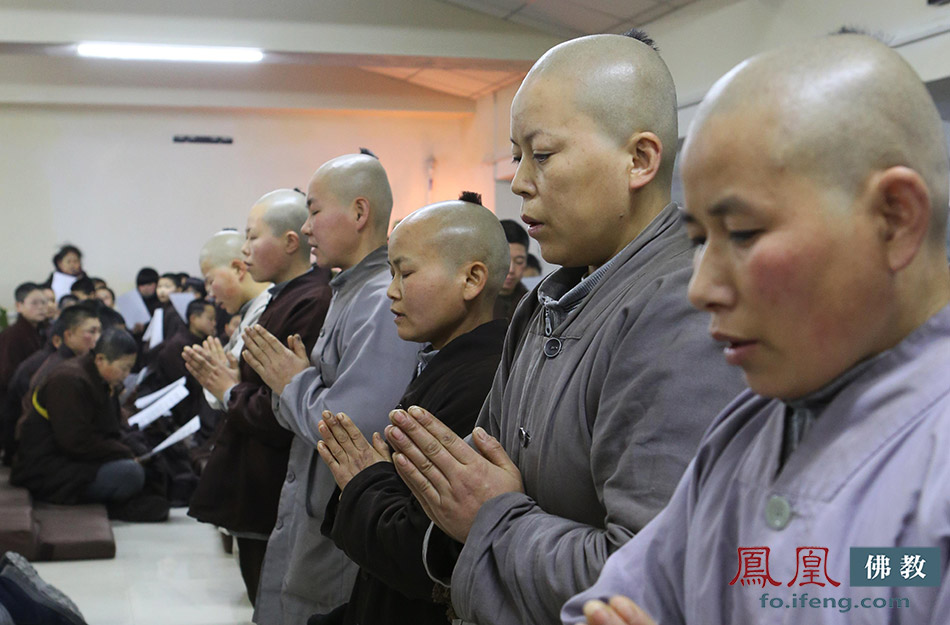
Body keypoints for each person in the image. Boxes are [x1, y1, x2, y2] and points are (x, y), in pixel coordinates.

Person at [562, 34, 950, 625]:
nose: (700, 289)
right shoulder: (745, 436)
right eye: (697, 241)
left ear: (895, 218)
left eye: (742, 233)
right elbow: (617, 598)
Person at [382, 32, 745, 625]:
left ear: (640, 159)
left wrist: (492, 519)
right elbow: (478, 469)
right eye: (516, 154)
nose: (520, 180)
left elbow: (643, 575)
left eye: (542, 155)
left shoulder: (680, 308)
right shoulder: (546, 299)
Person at [241, 153, 420, 624]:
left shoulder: (381, 299)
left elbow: (351, 429)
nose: (308, 226)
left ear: (360, 213)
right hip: (313, 508)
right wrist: (298, 386)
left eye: (316, 210)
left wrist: (293, 382)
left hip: (341, 520)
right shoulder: (350, 290)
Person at [316, 199, 511, 625]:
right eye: (390, 273)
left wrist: (365, 482)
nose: (391, 290)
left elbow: (419, 549)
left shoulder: (479, 381)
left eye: (405, 273)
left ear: (472, 278)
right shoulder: (442, 360)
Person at [185, 190, 332, 607]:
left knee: (276, 601)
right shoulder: (283, 296)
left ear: (290, 241)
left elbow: (280, 408)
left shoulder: (312, 299)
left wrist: (229, 388)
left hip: (272, 478)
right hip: (254, 474)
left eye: (251, 238)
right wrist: (232, 383)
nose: (244, 251)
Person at [12, 328, 146, 508]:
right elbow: (75, 441)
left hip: (78, 457)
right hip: (49, 464)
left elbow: (110, 429)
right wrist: (122, 452)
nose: (126, 375)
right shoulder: (69, 380)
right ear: (100, 359)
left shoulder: (101, 379)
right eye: (124, 368)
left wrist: (130, 449)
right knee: (130, 473)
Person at [1, 305, 101, 465]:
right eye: (91, 332)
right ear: (65, 337)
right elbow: (70, 434)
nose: (98, 338)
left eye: (99, 331)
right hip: (42, 457)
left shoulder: (70, 364)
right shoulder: (61, 371)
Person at [0, 283, 49, 418]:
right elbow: (7, 375)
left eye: (44, 303)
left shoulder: (44, 330)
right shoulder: (12, 335)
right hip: (15, 404)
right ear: (19, 306)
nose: (41, 307)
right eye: (34, 303)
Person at [494, 219, 530, 322]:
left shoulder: (532, 304)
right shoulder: (474, 302)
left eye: (519, 261)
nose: (511, 270)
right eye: (504, 259)